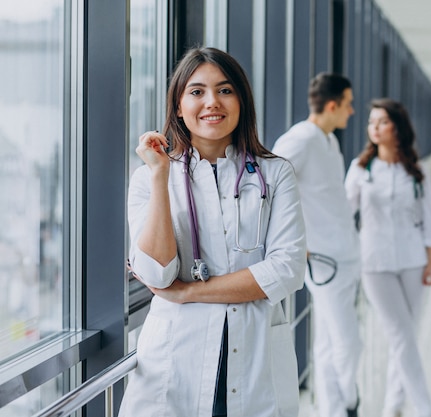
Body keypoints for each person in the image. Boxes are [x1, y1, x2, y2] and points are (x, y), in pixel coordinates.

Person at [119, 47, 307, 417]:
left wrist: (188, 292)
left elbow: (286, 269)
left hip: (254, 354)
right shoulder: (149, 177)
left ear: (241, 100)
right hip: (175, 360)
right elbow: (157, 273)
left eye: (224, 90)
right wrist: (160, 177)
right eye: (197, 92)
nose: (212, 103)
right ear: (178, 106)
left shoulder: (275, 174)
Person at [272, 72, 361, 417]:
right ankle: (349, 402)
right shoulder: (301, 139)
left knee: (327, 343)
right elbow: (271, 185)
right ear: (333, 105)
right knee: (349, 342)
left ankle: (332, 409)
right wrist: (295, 240)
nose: (351, 112)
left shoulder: (329, 141)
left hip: (344, 253)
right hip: (325, 260)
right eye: (349, 105)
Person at [344, 98, 431, 417]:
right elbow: (345, 213)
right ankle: (425, 408)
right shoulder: (360, 169)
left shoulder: (415, 169)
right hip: (374, 263)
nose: (374, 127)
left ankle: (393, 405)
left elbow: (430, 219)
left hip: (413, 260)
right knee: (401, 334)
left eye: (382, 121)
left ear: (397, 127)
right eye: (372, 122)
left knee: (406, 335)